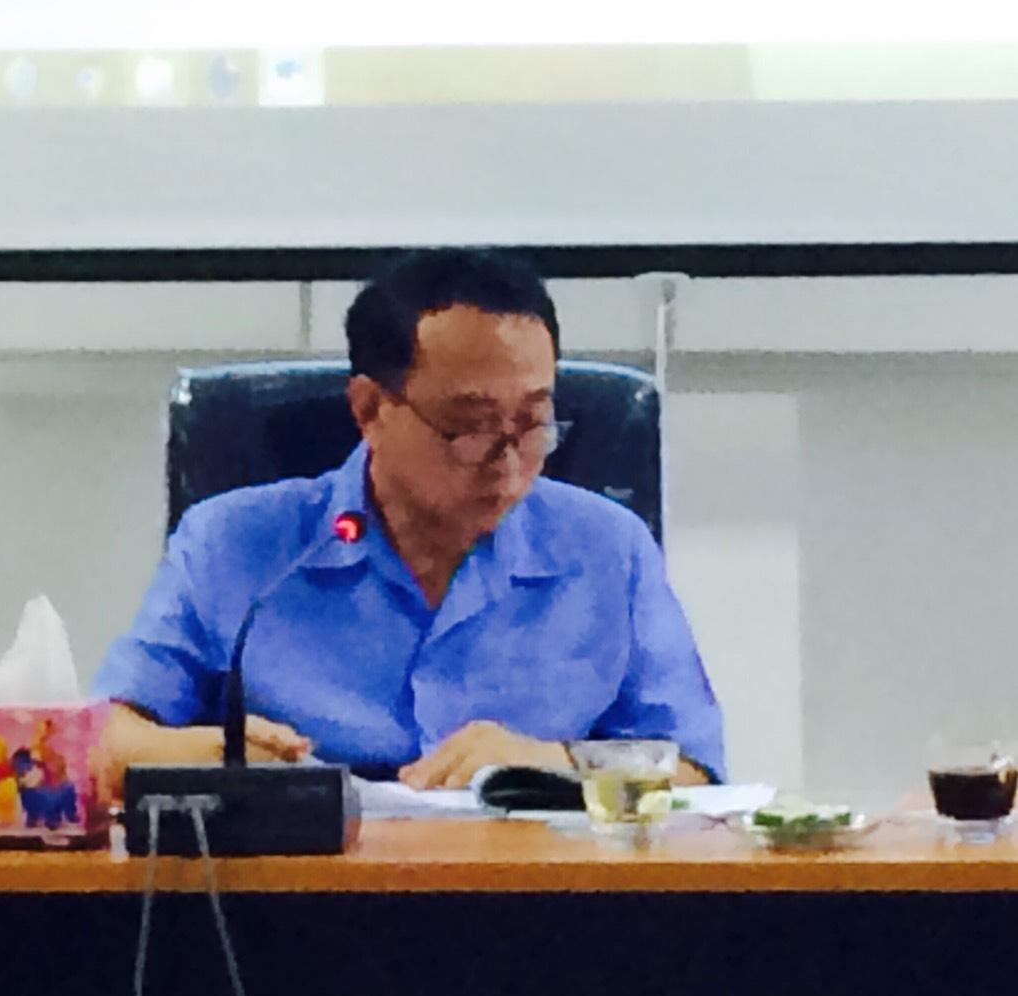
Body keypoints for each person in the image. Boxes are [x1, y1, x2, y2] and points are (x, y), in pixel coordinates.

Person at [92, 248, 723, 793]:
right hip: (300, 889)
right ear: (370, 409)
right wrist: (205, 752)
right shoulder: (234, 546)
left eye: (533, 422)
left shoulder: (608, 549)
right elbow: (101, 742)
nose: (509, 464)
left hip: (539, 888)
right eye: (471, 427)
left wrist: (554, 765)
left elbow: (696, 770)